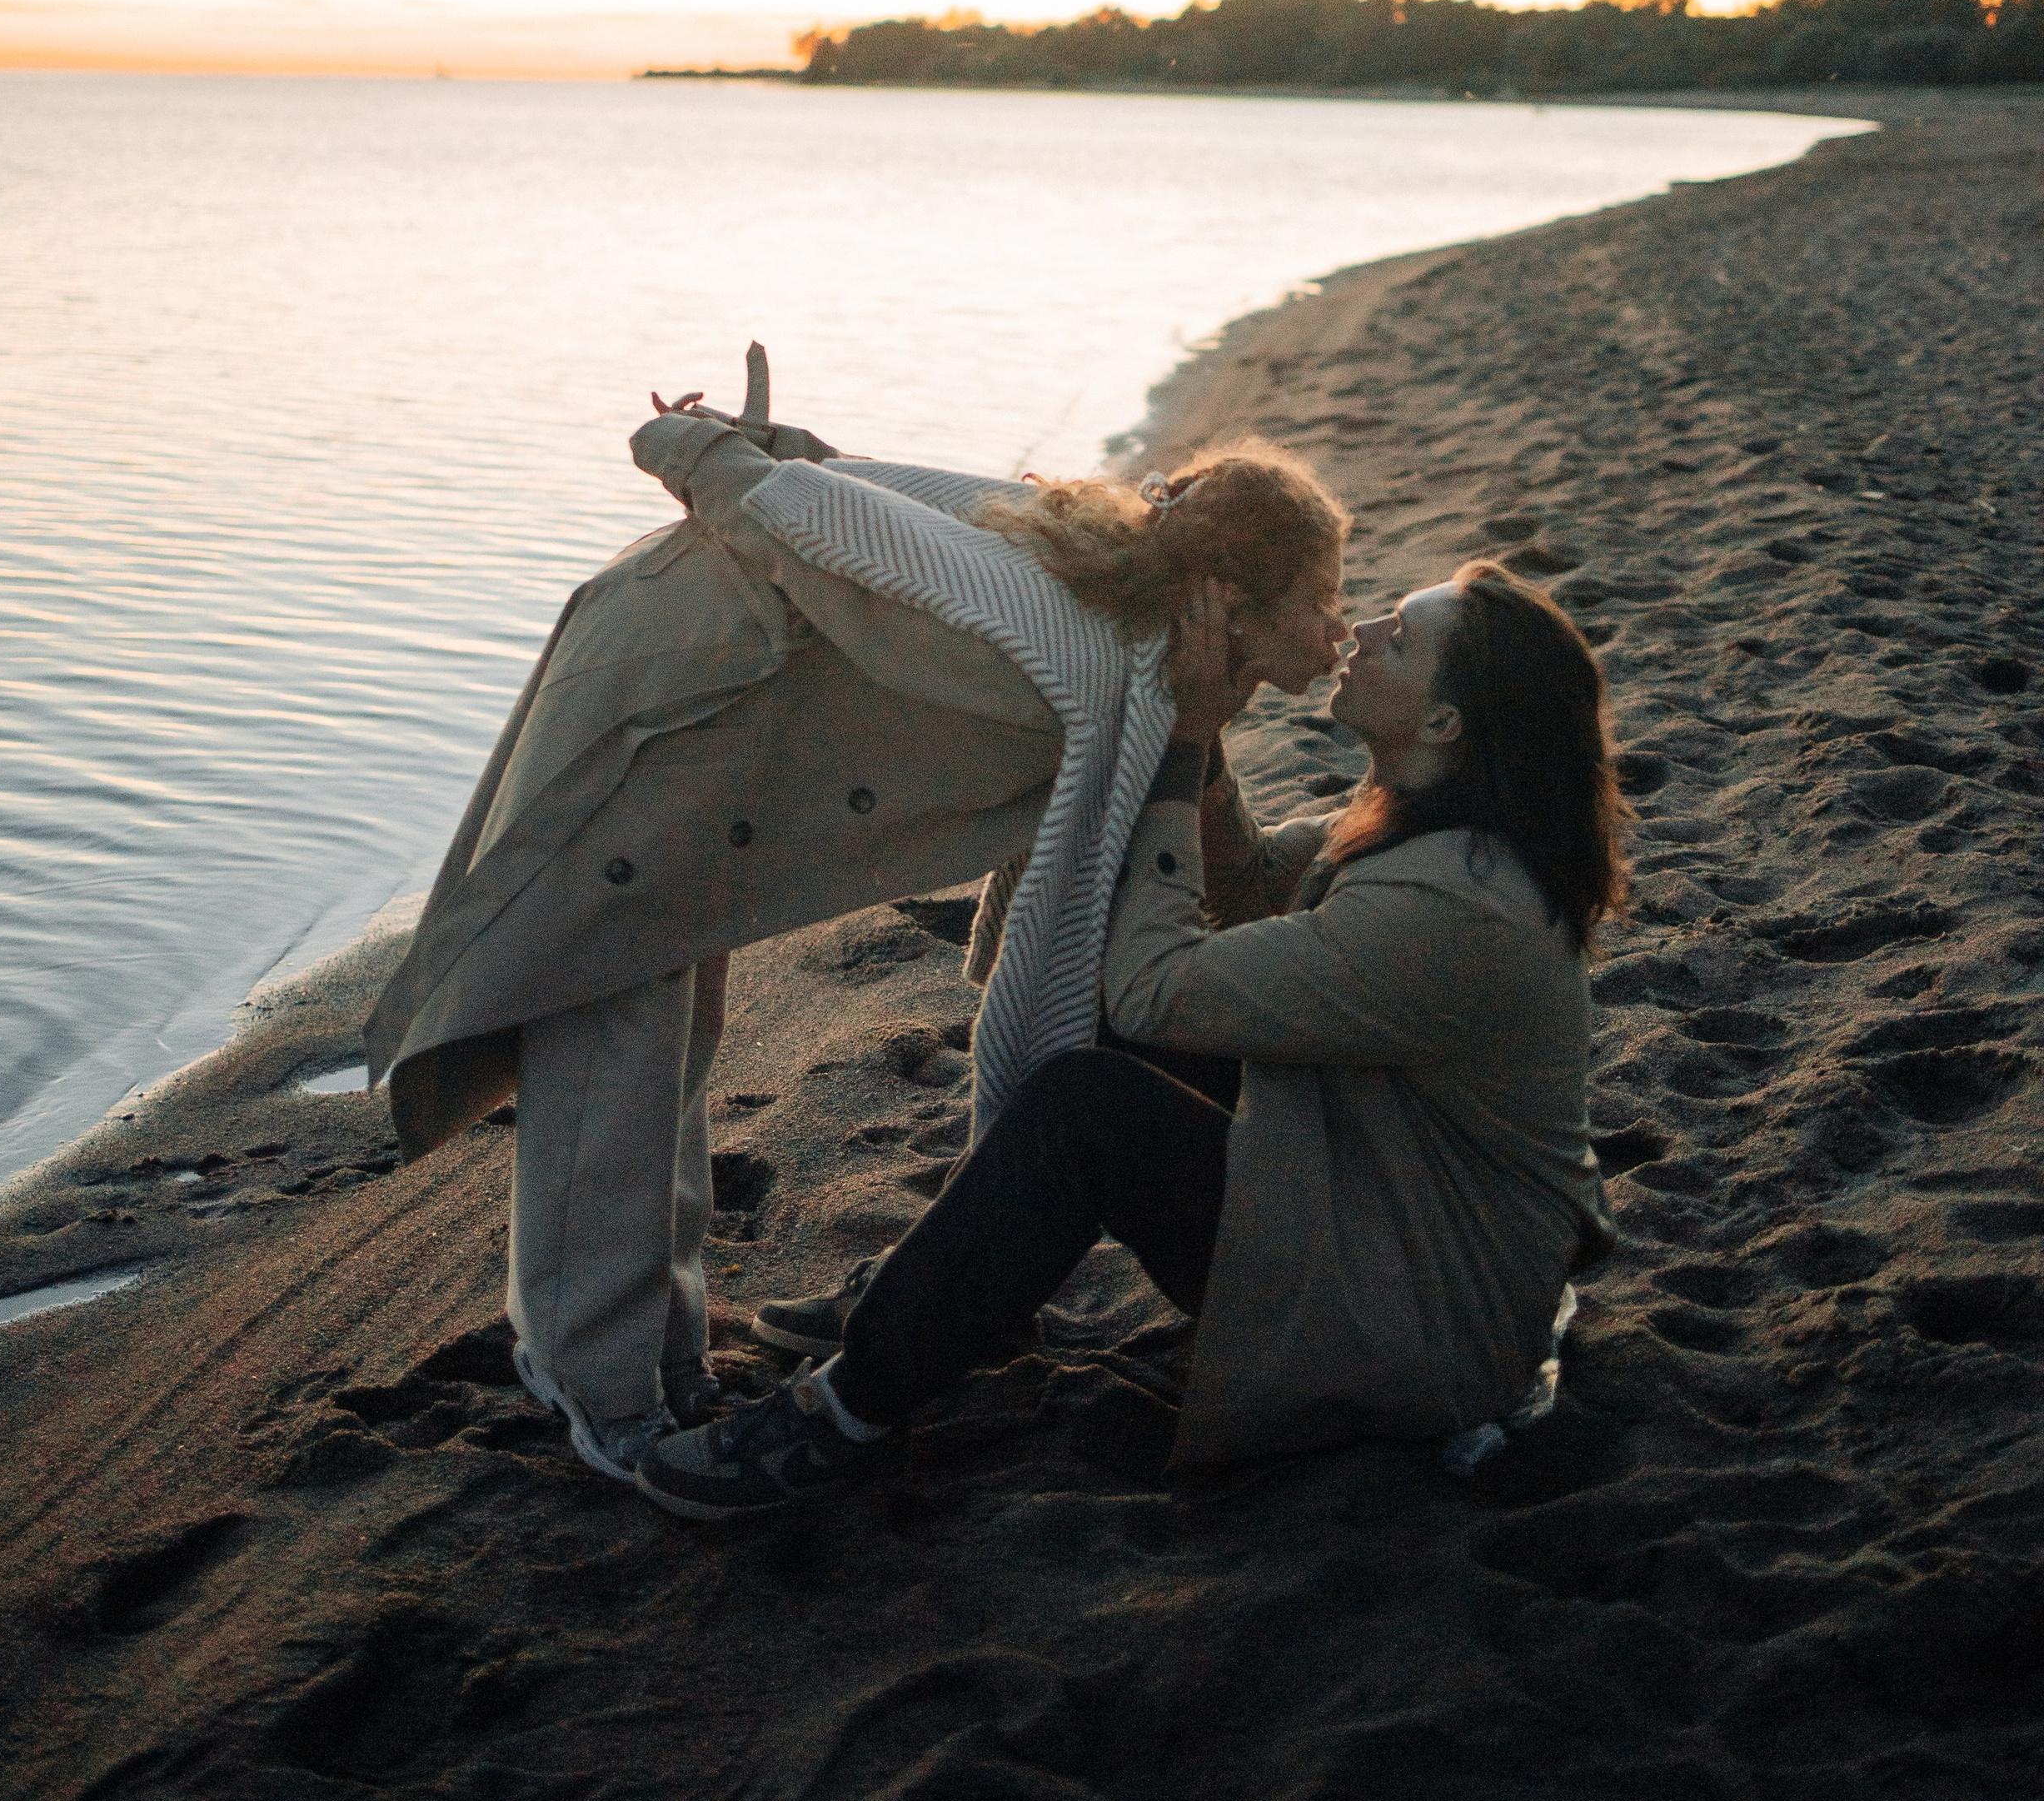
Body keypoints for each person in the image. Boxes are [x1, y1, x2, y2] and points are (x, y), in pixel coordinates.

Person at [364, 354, 1349, 1482]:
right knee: (613, 1036)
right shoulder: (1075, 640)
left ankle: (664, 1360)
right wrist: (701, 451)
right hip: (661, 704)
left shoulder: (1155, 651)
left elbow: (919, 498)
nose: (1338, 630)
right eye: (1321, 602)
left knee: (674, 1029)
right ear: (1229, 595)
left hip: (740, 744)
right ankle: (598, 1390)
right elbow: (828, 518)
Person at [633, 553, 1627, 1520]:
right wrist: (1208, 729)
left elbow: (1156, 986)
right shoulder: (1417, 828)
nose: (1362, 633)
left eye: (1398, 638)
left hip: (1430, 1319)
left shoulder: (1454, 903)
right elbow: (1239, 889)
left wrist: (1184, 735)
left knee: (1089, 1100)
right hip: (1377, 1203)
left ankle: (839, 1417)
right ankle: (964, 1294)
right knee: (1110, 1034)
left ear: (1444, 722)